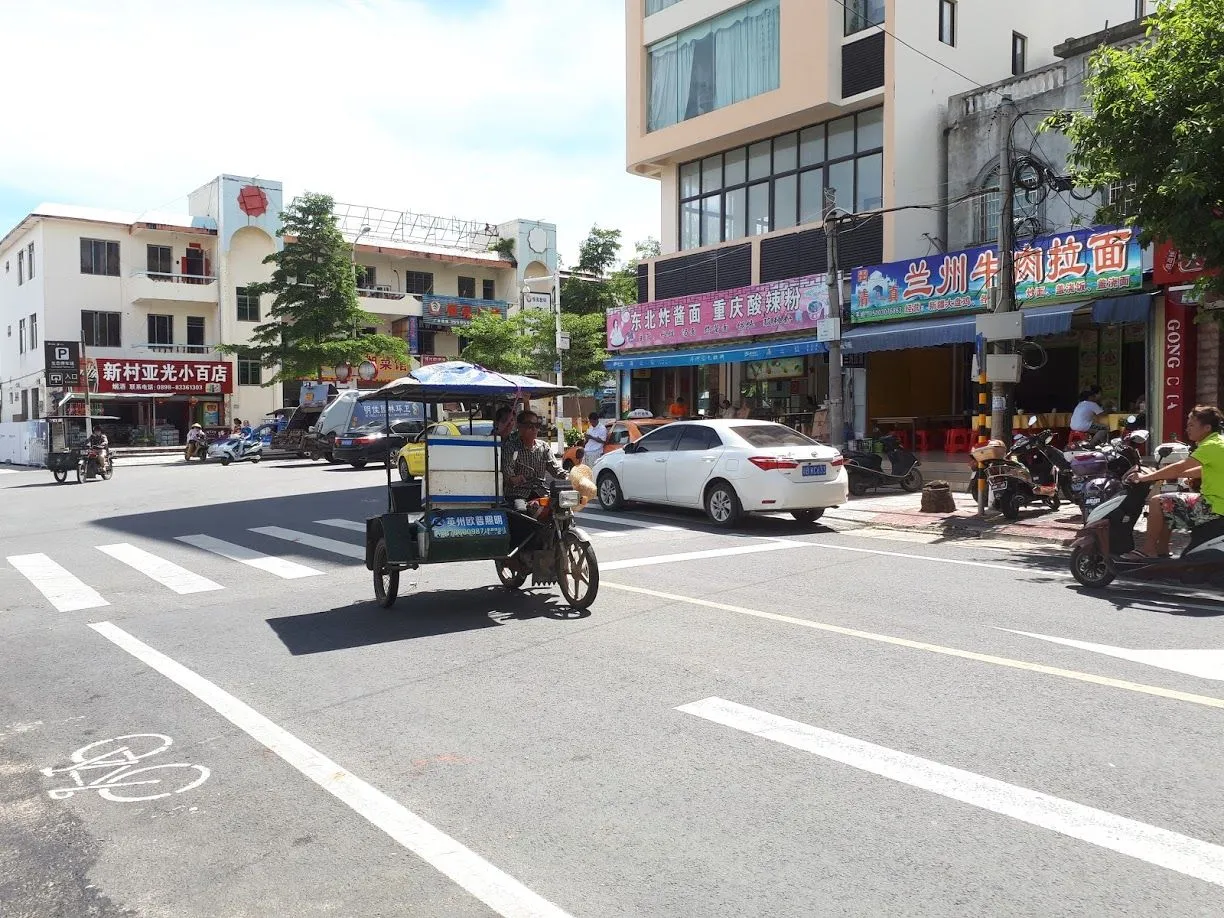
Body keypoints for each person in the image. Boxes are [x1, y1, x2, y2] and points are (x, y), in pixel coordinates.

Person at [1125, 405, 1224, 559]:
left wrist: (1146, 477)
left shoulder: (1210, 446)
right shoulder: (1219, 442)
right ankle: (1162, 550)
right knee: (1169, 504)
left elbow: (1180, 466)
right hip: (1217, 503)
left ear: (1207, 427)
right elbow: (1206, 470)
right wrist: (1171, 475)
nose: (1187, 429)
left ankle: (1148, 550)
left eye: (1191, 425)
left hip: (1213, 505)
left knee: (1157, 502)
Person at [502, 409, 565, 501]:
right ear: (520, 427)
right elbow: (508, 473)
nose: (534, 429)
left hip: (541, 493)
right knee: (519, 509)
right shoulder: (511, 448)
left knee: (560, 509)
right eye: (530, 426)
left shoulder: (544, 447)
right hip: (519, 494)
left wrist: (570, 476)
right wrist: (514, 479)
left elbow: (556, 470)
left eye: (537, 426)